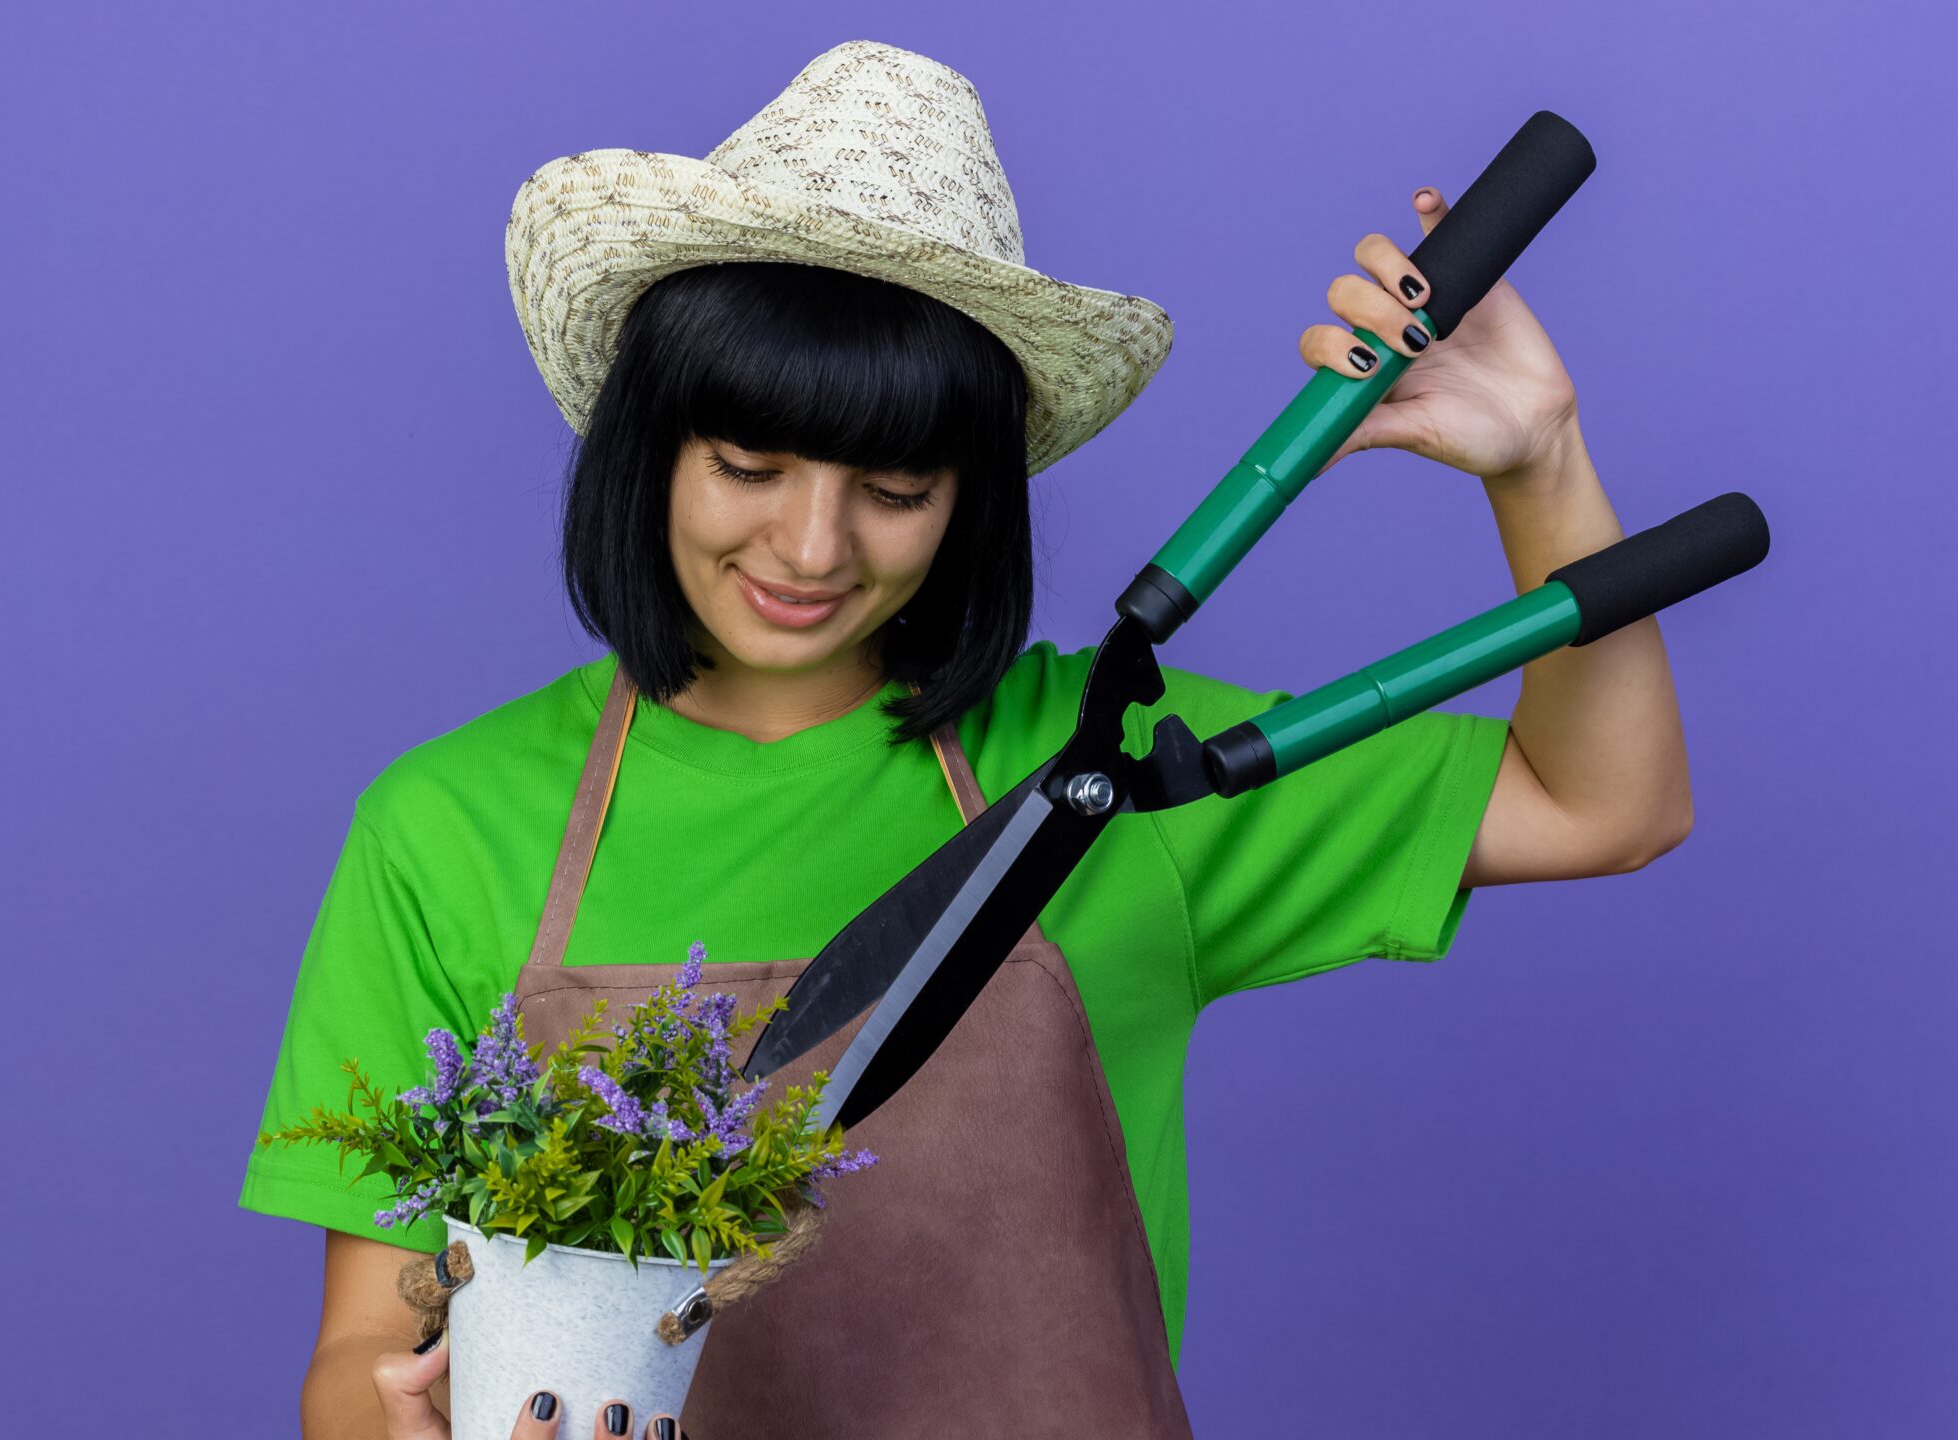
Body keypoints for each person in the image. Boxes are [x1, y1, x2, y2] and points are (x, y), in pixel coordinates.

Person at [241, 41, 1694, 1439]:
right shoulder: (448, 823)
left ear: (972, 500)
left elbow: (1602, 804)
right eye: (747, 465)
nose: (810, 545)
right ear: (649, 452)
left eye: (896, 484)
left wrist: (1540, 463)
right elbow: (367, 1345)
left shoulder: (1111, 766)